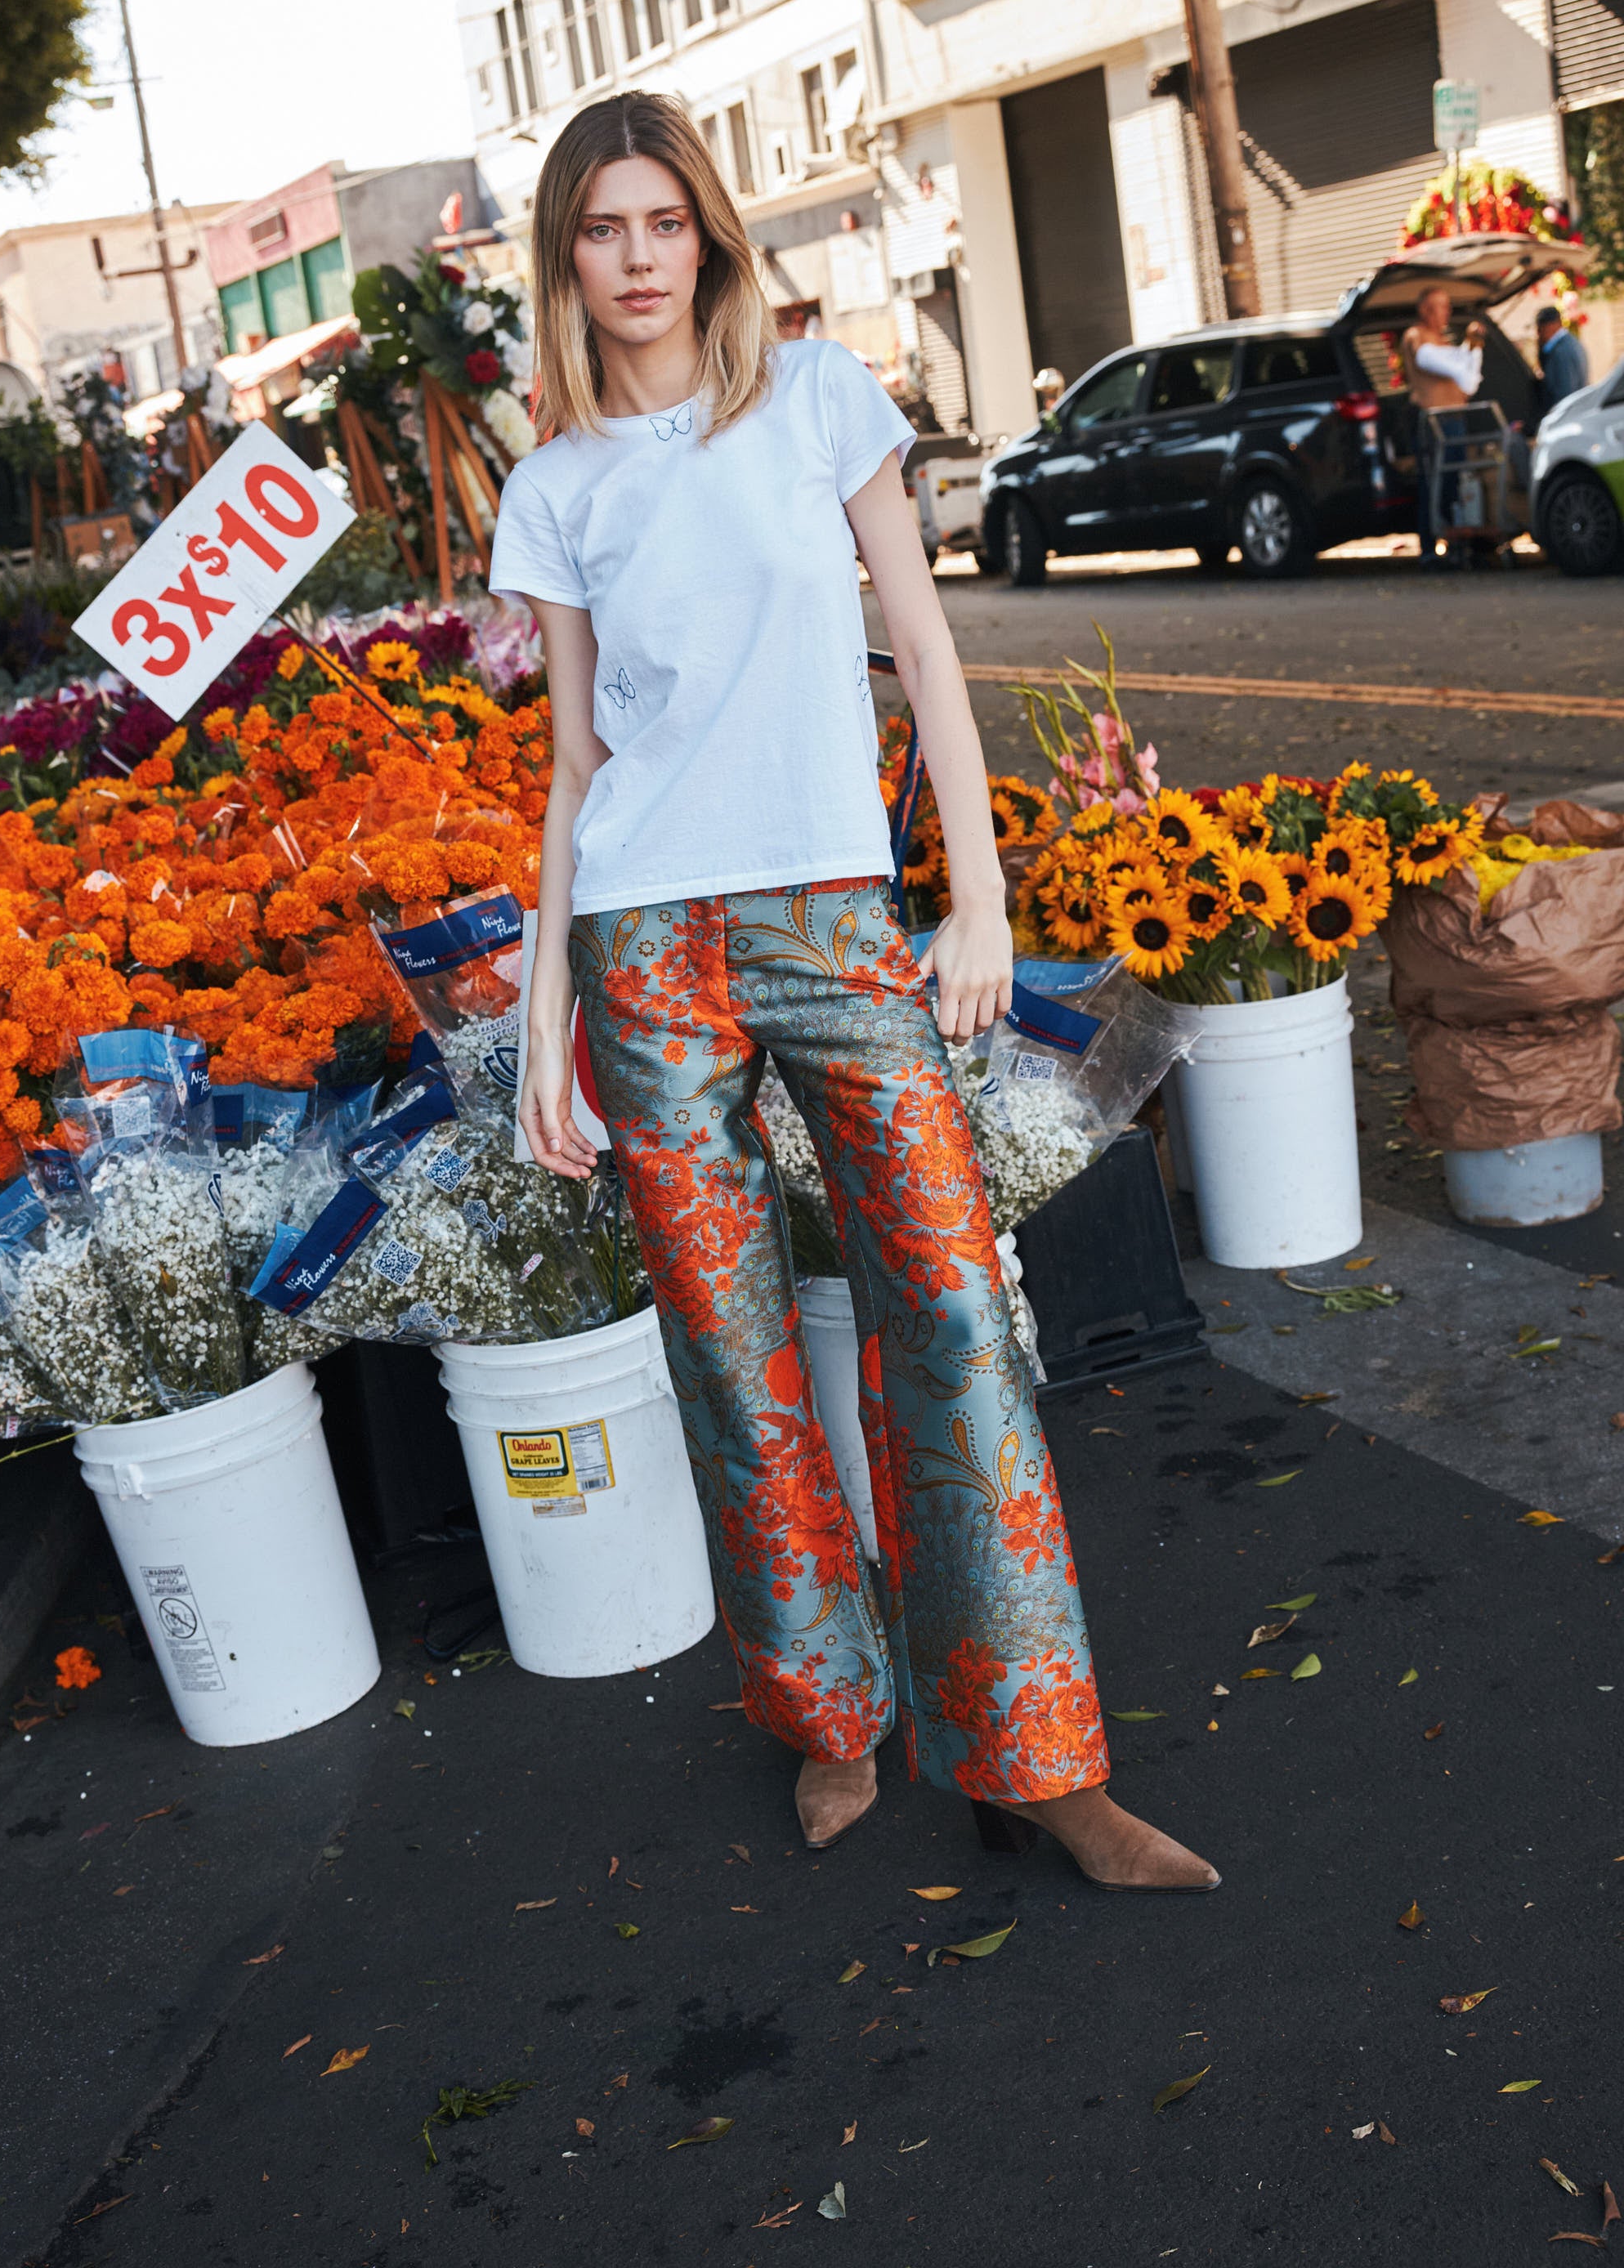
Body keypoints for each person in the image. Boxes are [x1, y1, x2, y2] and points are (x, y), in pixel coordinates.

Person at [492, 92, 1219, 1894]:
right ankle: (832, 1715)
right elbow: (577, 767)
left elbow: (929, 651)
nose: (640, 257)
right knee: (731, 1358)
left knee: (958, 1312)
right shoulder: (557, 482)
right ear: (566, 261)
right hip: (645, 948)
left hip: (836, 924)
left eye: (665, 222)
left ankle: (1035, 1755)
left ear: (712, 238)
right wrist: (537, 1030)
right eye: (604, 229)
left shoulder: (817, 407)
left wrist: (974, 898)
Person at [1400, 284, 1484, 566]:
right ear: (1426, 310)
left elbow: (1468, 381)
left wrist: (1472, 349)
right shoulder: (1417, 337)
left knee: (1455, 482)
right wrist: (1466, 354)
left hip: (1454, 421)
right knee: (1432, 482)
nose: (1447, 312)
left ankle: (1456, 543)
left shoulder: (1443, 342)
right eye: (1441, 306)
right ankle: (1428, 548)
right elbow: (1445, 365)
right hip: (1432, 423)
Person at [1535, 303, 1588, 409]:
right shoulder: (1569, 342)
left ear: (1553, 325)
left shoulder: (1562, 350)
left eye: (1541, 329)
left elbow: (1565, 391)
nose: (1539, 334)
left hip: (1567, 412)